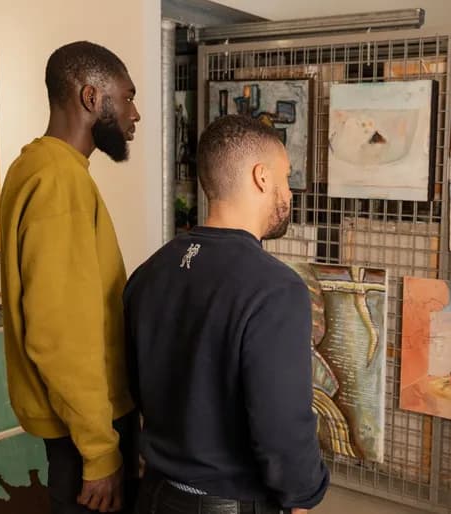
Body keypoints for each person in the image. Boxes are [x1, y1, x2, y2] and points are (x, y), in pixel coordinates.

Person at [124, 114, 329, 514]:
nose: (289, 192)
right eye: (286, 178)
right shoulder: (276, 289)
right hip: (232, 504)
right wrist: (303, 496)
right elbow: (282, 426)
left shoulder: (148, 273)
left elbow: (133, 385)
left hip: (152, 497)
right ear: (262, 177)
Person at [0, 41, 141, 514]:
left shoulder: (37, 166)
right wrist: (100, 453)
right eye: (127, 97)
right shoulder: (60, 180)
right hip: (86, 432)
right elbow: (60, 332)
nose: (134, 114)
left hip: (78, 422)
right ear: (91, 97)